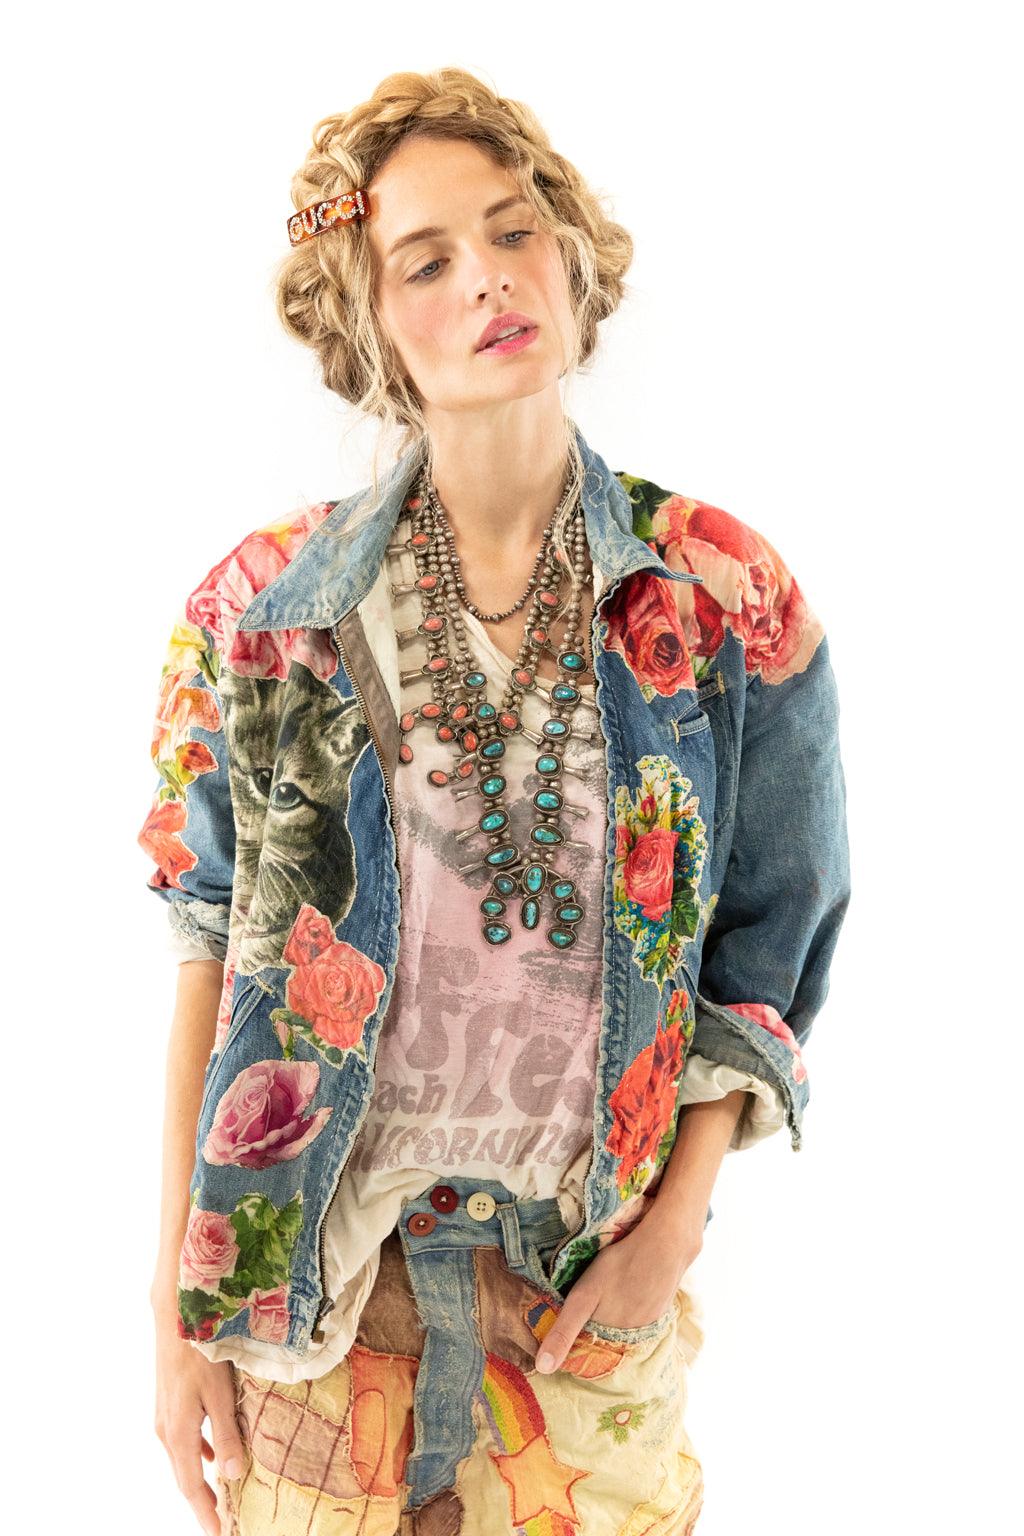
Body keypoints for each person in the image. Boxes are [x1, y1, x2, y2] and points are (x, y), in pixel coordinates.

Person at [140, 67, 851, 1536]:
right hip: (311, 1314)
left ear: (572, 254)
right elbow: (207, 947)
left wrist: (673, 1231)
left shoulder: (723, 597)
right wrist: (175, 1304)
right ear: (366, 322)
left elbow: (769, 949)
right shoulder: (258, 609)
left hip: (583, 1312)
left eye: (516, 230)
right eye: (427, 260)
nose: (490, 277)